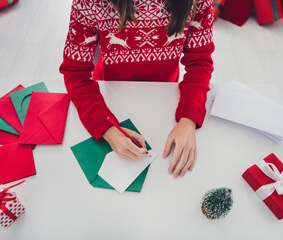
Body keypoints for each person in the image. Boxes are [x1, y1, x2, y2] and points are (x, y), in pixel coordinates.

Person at [59, 0, 214, 178]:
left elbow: (200, 63)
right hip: (110, 97)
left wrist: (188, 120)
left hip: (165, 100)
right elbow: (75, 72)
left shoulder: (199, 2)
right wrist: (107, 129)